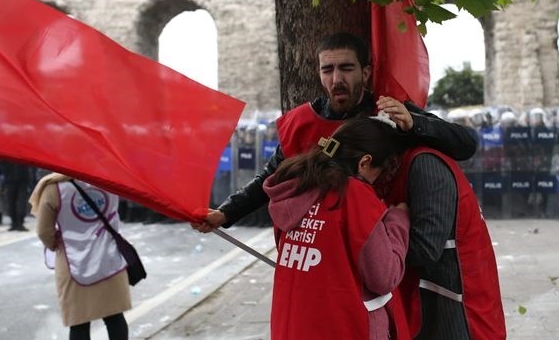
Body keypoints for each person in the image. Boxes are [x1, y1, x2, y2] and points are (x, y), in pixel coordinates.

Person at [192, 32, 477, 233]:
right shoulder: (300, 122)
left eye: (346, 68)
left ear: (365, 73)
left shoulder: (390, 112)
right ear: (319, 74)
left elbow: (466, 144)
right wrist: (225, 212)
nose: (337, 79)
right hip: (317, 249)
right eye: (327, 70)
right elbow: (272, 177)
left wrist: (416, 123)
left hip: (375, 249)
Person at [262, 117, 421, 340]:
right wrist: (397, 221)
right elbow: (384, 276)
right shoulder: (355, 196)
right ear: (364, 162)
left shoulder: (296, 190)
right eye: (378, 173)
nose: (377, 183)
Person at [384, 142, 507, 340]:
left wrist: (389, 230)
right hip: (428, 317)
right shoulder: (411, 160)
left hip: (447, 329)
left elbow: (426, 247)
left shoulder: (426, 165)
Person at [29, 173, 134, 340]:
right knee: (115, 316)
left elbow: (43, 231)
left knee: (78, 322)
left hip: (72, 260)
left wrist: (55, 243)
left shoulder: (53, 188)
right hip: (109, 257)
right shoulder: (110, 177)